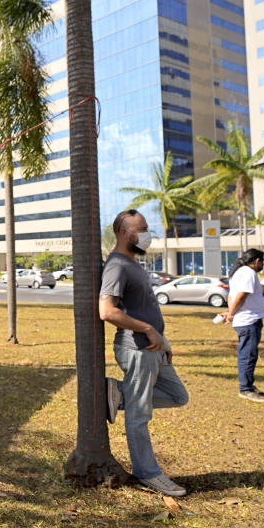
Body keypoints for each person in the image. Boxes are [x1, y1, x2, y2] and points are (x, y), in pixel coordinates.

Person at [100, 209, 189, 498]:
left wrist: (163, 341)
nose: (148, 234)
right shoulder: (116, 265)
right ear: (125, 232)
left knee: (178, 396)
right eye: (143, 229)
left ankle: (116, 393)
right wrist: (148, 330)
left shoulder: (134, 264)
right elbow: (107, 311)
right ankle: (148, 473)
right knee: (139, 415)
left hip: (154, 348)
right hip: (136, 349)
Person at [225, 249, 264, 402]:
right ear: (257, 261)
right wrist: (231, 314)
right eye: (262, 261)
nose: (262, 265)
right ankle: (245, 389)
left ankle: (249, 386)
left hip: (246, 319)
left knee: (249, 354)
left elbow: (231, 295)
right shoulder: (248, 273)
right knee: (248, 356)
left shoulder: (237, 273)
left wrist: (231, 312)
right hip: (249, 321)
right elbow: (241, 295)